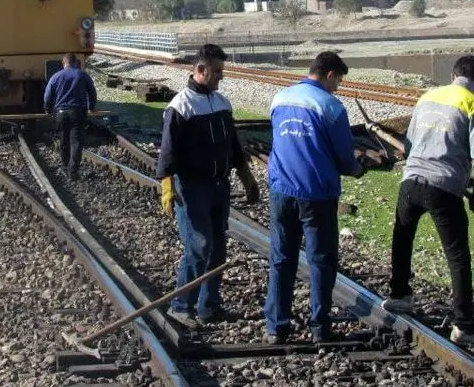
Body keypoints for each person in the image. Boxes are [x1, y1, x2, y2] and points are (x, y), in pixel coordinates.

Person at [384, 54, 474, 349]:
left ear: (453, 75)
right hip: (444, 188)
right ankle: (464, 325)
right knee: (458, 256)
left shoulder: (427, 96)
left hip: (410, 182)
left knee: (402, 237)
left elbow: (408, 143)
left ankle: (399, 296)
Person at [264, 51, 366, 344]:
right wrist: (357, 168)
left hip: (281, 188)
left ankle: (276, 326)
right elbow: (344, 156)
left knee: (282, 258)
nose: (338, 88)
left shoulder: (280, 98)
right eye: (338, 82)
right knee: (321, 259)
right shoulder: (330, 106)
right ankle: (319, 326)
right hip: (316, 193)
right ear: (330, 74)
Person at [157, 44, 260, 327]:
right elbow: (167, 152)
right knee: (199, 246)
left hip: (219, 186)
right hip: (192, 187)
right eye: (216, 72)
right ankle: (181, 306)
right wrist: (167, 186)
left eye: (221, 71)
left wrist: (246, 177)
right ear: (200, 70)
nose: (221, 77)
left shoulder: (222, 102)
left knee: (217, 249)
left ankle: (209, 307)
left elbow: (233, 146)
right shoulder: (180, 106)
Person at [43, 53, 97, 179]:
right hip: (78, 113)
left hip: (61, 113)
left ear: (63, 63)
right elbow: (92, 91)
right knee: (76, 142)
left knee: (63, 141)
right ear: (75, 62)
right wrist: (91, 107)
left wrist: (47, 109)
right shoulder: (82, 75)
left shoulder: (56, 76)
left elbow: (48, 94)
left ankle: (65, 166)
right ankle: (72, 171)